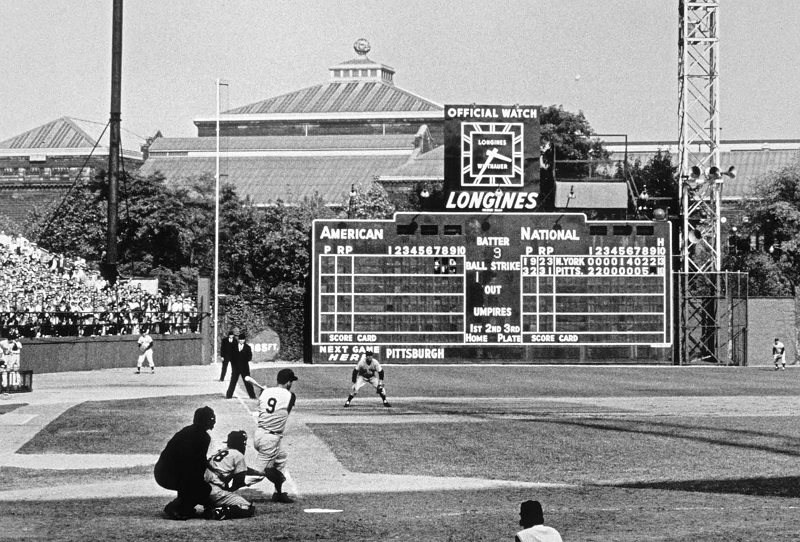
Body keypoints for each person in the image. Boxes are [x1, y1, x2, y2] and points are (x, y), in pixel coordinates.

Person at [154, 406, 216, 520]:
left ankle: (183, 506)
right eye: (212, 418)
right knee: (203, 488)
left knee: (192, 481)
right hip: (169, 474)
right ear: (207, 420)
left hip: (163, 471)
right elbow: (198, 463)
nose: (214, 421)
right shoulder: (202, 436)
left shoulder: (187, 430)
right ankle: (177, 507)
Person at [251, 368, 298, 504]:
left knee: (281, 458)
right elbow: (285, 411)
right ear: (288, 382)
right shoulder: (291, 396)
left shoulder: (264, 393)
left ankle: (278, 493)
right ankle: (225, 486)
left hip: (260, 434)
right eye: (291, 381)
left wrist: (265, 391)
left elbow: (263, 405)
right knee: (259, 474)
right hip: (270, 440)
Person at [203, 430, 259, 520]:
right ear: (241, 444)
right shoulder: (238, 456)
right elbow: (238, 483)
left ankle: (209, 505)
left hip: (199, 488)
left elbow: (240, 468)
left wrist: (258, 472)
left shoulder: (220, 451)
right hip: (214, 492)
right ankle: (219, 511)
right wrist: (229, 490)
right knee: (247, 507)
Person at [225, 333, 257, 399]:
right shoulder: (234, 347)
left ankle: (252, 396)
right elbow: (231, 357)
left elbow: (249, 357)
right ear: (238, 340)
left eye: (243, 340)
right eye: (240, 339)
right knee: (233, 381)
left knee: (248, 382)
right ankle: (229, 395)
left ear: (244, 340)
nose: (241, 341)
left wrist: (243, 359)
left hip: (244, 368)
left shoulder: (247, 347)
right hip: (236, 368)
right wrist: (233, 365)